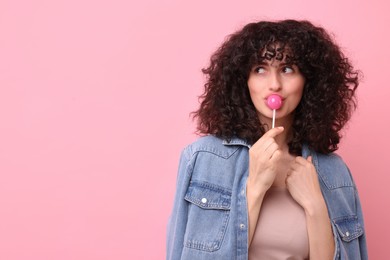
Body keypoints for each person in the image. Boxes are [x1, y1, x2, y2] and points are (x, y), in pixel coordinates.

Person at [166, 19, 367, 260]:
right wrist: (255, 187)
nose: (274, 85)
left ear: (309, 81)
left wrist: (315, 206)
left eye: (287, 69)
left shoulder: (335, 172)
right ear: (243, 81)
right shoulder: (202, 159)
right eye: (260, 69)